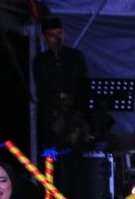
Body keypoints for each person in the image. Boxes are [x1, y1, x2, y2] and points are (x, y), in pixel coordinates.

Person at [32, 16, 90, 150]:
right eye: (52, 35)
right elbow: (42, 89)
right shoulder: (40, 61)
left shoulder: (75, 56)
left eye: (59, 34)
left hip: (75, 116)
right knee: (54, 156)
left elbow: (84, 84)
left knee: (75, 155)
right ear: (44, 38)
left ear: (64, 34)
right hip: (52, 117)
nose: (57, 38)